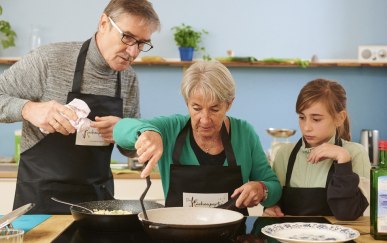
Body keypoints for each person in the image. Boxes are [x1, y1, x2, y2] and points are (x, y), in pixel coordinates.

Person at [0, 0, 160, 214]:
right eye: (128, 37)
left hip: (97, 205)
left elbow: (128, 149)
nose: (133, 52)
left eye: (142, 43)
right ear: (104, 23)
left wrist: (129, 134)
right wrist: (29, 109)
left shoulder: (128, 79)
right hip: (39, 202)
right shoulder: (49, 60)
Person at [113, 61, 282, 214]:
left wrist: (261, 189)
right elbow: (120, 129)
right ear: (187, 103)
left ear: (229, 104)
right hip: (177, 234)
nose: (205, 119)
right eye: (196, 108)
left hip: (233, 236)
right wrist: (148, 132)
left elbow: (273, 187)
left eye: (215, 109)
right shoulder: (171, 129)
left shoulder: (245, 133)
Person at [263, 79, 370, 220]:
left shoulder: (355, 153)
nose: (306, 127)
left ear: (339, 118)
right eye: (302, 117)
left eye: (316, 119)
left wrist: (343, 159)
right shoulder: (284, 154)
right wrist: (271, 208)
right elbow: (275, 203)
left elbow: (349, 213)